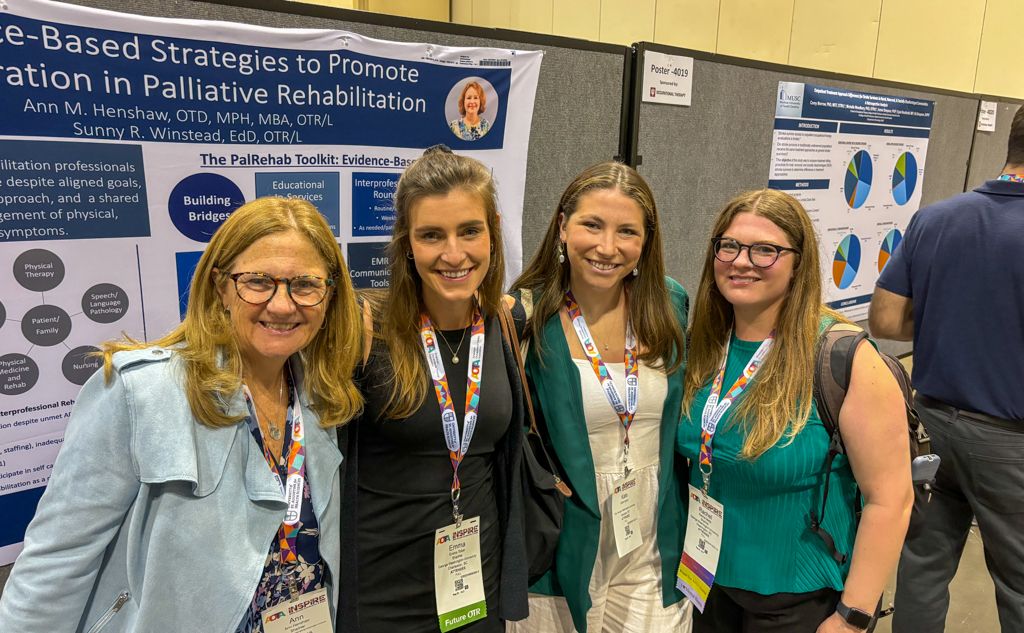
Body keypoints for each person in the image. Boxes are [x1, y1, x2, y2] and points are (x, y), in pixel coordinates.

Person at [0, 197, 364, 633]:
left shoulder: (323, 398)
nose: (283, 305)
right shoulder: (140, 393)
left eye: (305, 284)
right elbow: (55, 563)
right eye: (258, 281)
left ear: (329, 296)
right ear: (220, 287)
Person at [676, 189, 912, 633]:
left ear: (798, 263)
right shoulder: (704, 345)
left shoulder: (845, 358)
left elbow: (891, 499)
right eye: (729, 246)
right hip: (706, 584)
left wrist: (853, 617)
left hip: (799, 598)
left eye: (766, 250)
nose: (741, 261)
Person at [338, 145, 527, 632]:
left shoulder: (502, 325)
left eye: (470, 231)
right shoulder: (363, 326)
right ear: (406, 244)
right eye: (431, 235)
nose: (453, 254)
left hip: (474, 592)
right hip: (381, 596)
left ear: (493, 232)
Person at [505, 161, 692, 633]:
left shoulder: (669, 304)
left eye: (627, 231)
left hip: (652, 538)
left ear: (646, 241)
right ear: (563, 227)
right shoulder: (526, 312)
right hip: (562, 536)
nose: (608, 247)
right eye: (592, 224)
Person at [869, 106, 1024, 632]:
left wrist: (954, 320)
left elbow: (885, 318)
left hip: (927, 425)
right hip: (1010, 443)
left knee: (923, 565)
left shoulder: (935, 217)